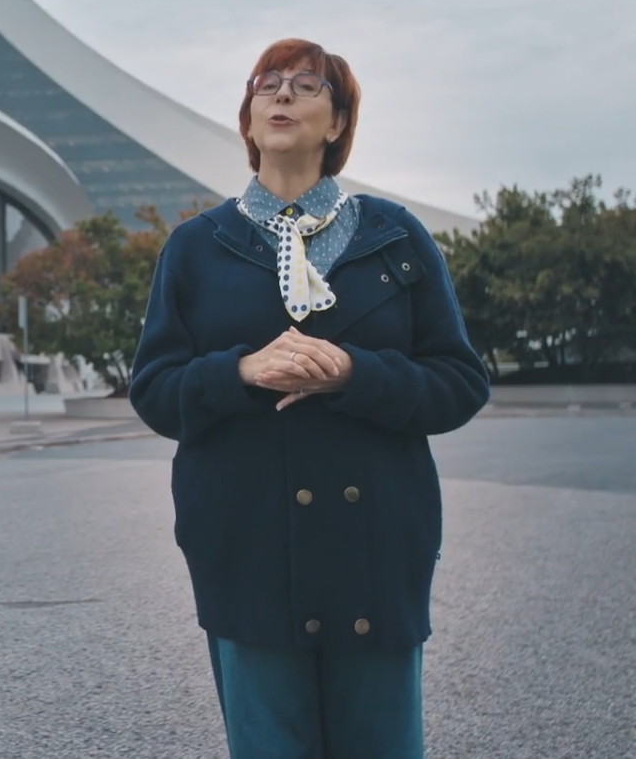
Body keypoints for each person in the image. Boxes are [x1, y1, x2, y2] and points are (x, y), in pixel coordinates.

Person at [128, 38, 490, 759]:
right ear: (248, 119)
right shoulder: (195, 247)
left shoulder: (396, 237)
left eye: (305, 84)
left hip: (376, 548)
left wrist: (356, 374)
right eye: (266, 84)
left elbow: (460, 380)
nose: (282, 94)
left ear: (338, 122)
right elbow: (155, 390)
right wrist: (242, 371)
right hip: (246, 549)